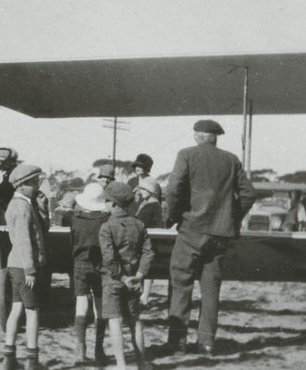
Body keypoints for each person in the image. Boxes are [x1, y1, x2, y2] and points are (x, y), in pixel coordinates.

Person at [165, 119, 256, 356]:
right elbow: (249, 194)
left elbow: (174, 188)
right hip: (220, 234)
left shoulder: (186, 154)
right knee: (211, 290)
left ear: (197, 135)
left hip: (191, 230)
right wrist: (231, 219)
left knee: (181, 284)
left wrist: (174, 216)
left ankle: (177, 343)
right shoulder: (231, 159)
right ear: (215, 137)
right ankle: (206, 344)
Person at [99, 182, 154, 370]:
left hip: (113, 281)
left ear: (113, 204)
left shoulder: (107, 227)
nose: (105, 204)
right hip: (134, 279)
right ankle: (141, 363)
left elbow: (109, 258)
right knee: (135, 321)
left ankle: (121, 365)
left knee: (115, 321)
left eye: (107, 201)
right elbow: (148, 253)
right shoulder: (139, 224)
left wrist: (122, 278)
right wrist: (138, 275)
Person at [2, 164, 47, 369]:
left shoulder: (19, 204)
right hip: (23, 266)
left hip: (14, 264)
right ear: (22, 185)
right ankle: (32, 359)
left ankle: (9, 355)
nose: (38, 186)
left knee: (17, 308)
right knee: (33, 311)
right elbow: (24, 240)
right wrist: (30, 269)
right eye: (34, 182)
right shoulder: (23, 207)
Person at [70, 183, 110, 364]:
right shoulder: (106, 220)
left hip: (80, 264)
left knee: (81, 304)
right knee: (100, 307)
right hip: (100, 266)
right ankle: (99, 349)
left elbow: (73, 241)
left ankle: (80, 348)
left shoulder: (75, 218)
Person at [134, 177, 163, 305]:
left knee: (147, 269)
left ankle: (144, 297)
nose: (141, 192)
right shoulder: (146, 204)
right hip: (146, 239)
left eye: (144, 189)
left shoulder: (153, 205)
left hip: (149, 240)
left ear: (150, 191)